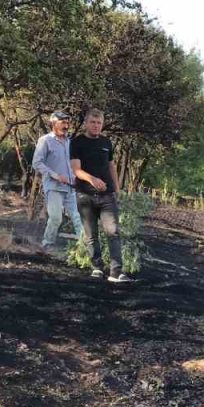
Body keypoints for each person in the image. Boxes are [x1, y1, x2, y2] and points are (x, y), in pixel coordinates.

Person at [70, 108, 138, 282]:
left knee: (113, 231)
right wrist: (92, 179)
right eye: (92, 122)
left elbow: (111, 166)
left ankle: (116, 271)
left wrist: (116, 189)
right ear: (86, 123)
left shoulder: (107, 142)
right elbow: (76, 170)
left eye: (99, 123)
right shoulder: (77, 143)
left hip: (107, 195)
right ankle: (97, 267)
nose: (95, 126)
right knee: (91, 234)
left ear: (102, 124)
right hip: (85, 195)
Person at [30, 110, 84, 253]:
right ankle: (47, 243)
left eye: (67, 122)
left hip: (70, 187)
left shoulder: (70, 142)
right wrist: (55, 175)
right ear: (53, 123)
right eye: (63, 122)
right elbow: (37, 163)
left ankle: (86, 247)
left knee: (77, 218)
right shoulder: (45, 140)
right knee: (55, 218)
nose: (66, 125)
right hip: (54, 187)